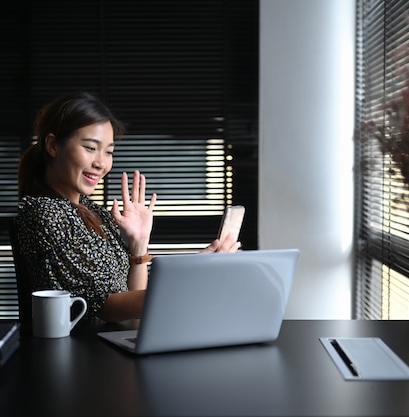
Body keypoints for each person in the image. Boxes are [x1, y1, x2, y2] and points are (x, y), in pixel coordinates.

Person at [14, 92, 240, 323]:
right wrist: (195, 277)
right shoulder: (44, 213)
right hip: (80, 353)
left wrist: (139, 245)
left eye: (109, 151)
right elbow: (107, 307)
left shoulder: (92, 211)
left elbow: (131, 313)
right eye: (90, 148)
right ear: (52, 145)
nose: (101, 163)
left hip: (110, 346)